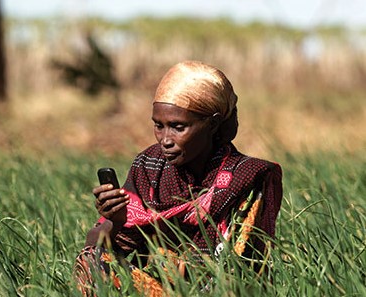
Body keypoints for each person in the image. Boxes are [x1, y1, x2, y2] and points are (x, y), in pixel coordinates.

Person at [75, 60, 283, 296]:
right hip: (152, 288)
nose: (165, 139)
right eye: (158, 126)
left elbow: (241, 265)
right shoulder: (148, 167)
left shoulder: (247, 176)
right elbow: (95, 246)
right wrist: (116, 220)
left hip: (215, 289)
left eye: (178, 127)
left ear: (212, 124)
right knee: (92, 259)